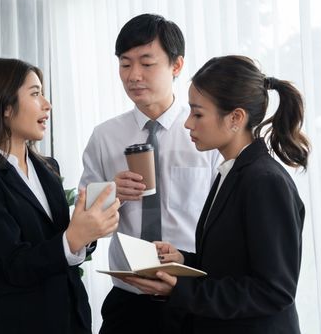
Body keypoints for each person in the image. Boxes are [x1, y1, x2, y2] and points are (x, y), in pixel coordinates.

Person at [124, 55, 310, 334]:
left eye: (198, 113)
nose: (188, 123)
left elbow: (274, 290)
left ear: (235, 118)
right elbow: (232, 265)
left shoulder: (264, 181)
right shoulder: (231, 171)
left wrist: (182, 289)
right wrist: (184, 261)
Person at [0, 58, 120, 334]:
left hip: (70, 318)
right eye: (35, 94)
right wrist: (73, 237)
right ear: (5, 107)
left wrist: (90, 228)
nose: (47, 104)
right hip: (17, 321)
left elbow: (61, 243)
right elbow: (15, 264)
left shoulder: (48, 167)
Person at [79, 14, 220, 333]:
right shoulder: (105, 137)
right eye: (125, 64)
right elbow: (86, 226)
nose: (134, 75)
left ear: (177, 65)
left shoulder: (204, 133)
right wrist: (110, 193)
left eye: (146, 62)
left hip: (194, 299)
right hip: (129, 303)